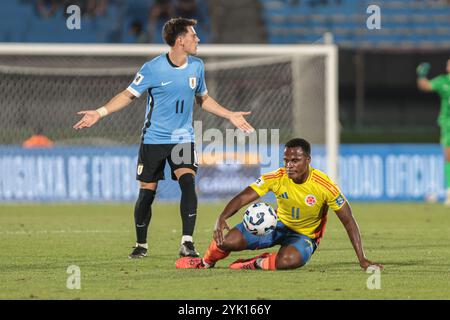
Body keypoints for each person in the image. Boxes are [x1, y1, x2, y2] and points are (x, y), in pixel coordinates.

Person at [73, 18, 254, 259]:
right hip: (154, 139)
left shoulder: (197, 66)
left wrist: (230, 114)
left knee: (188, 182)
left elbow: (203, 99)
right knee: (147, 193)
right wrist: (100, 112)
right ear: (180, 41)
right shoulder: (153, 68)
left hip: (183, 138)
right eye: (193, 35)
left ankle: (187, 243)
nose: (198, 39)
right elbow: (128, 95)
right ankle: (141, 245)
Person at [176, 138, 383, 271]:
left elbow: (349, 221)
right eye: (286, 160)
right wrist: (222, 217)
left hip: (304, 236)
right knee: (226, 241)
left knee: (289, 261)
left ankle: (255, 263)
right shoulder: (277, 176)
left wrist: (362, 259)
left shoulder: (324, 186)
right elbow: (245, 196)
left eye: (295, 160)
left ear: (308, 160)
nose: (289, 165)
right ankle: (204, 263)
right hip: (276, 225)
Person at [417, 59, 450, 205]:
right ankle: (449, 192)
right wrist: (421, 75)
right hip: (447, 124)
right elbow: (425, 86)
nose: (448, 65)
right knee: (448, 157)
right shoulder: (443, 81)